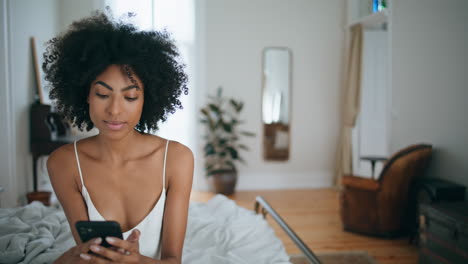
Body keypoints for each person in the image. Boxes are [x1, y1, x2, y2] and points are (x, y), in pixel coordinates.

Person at [45, 10, 193, 264]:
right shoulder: (64, 163)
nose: (114, 110)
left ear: (147, 99)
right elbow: (89, 252)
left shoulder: (177, 159)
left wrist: (137, 262)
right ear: (85, 96)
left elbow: (172, 260)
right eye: (103, 94)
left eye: (130, 97)